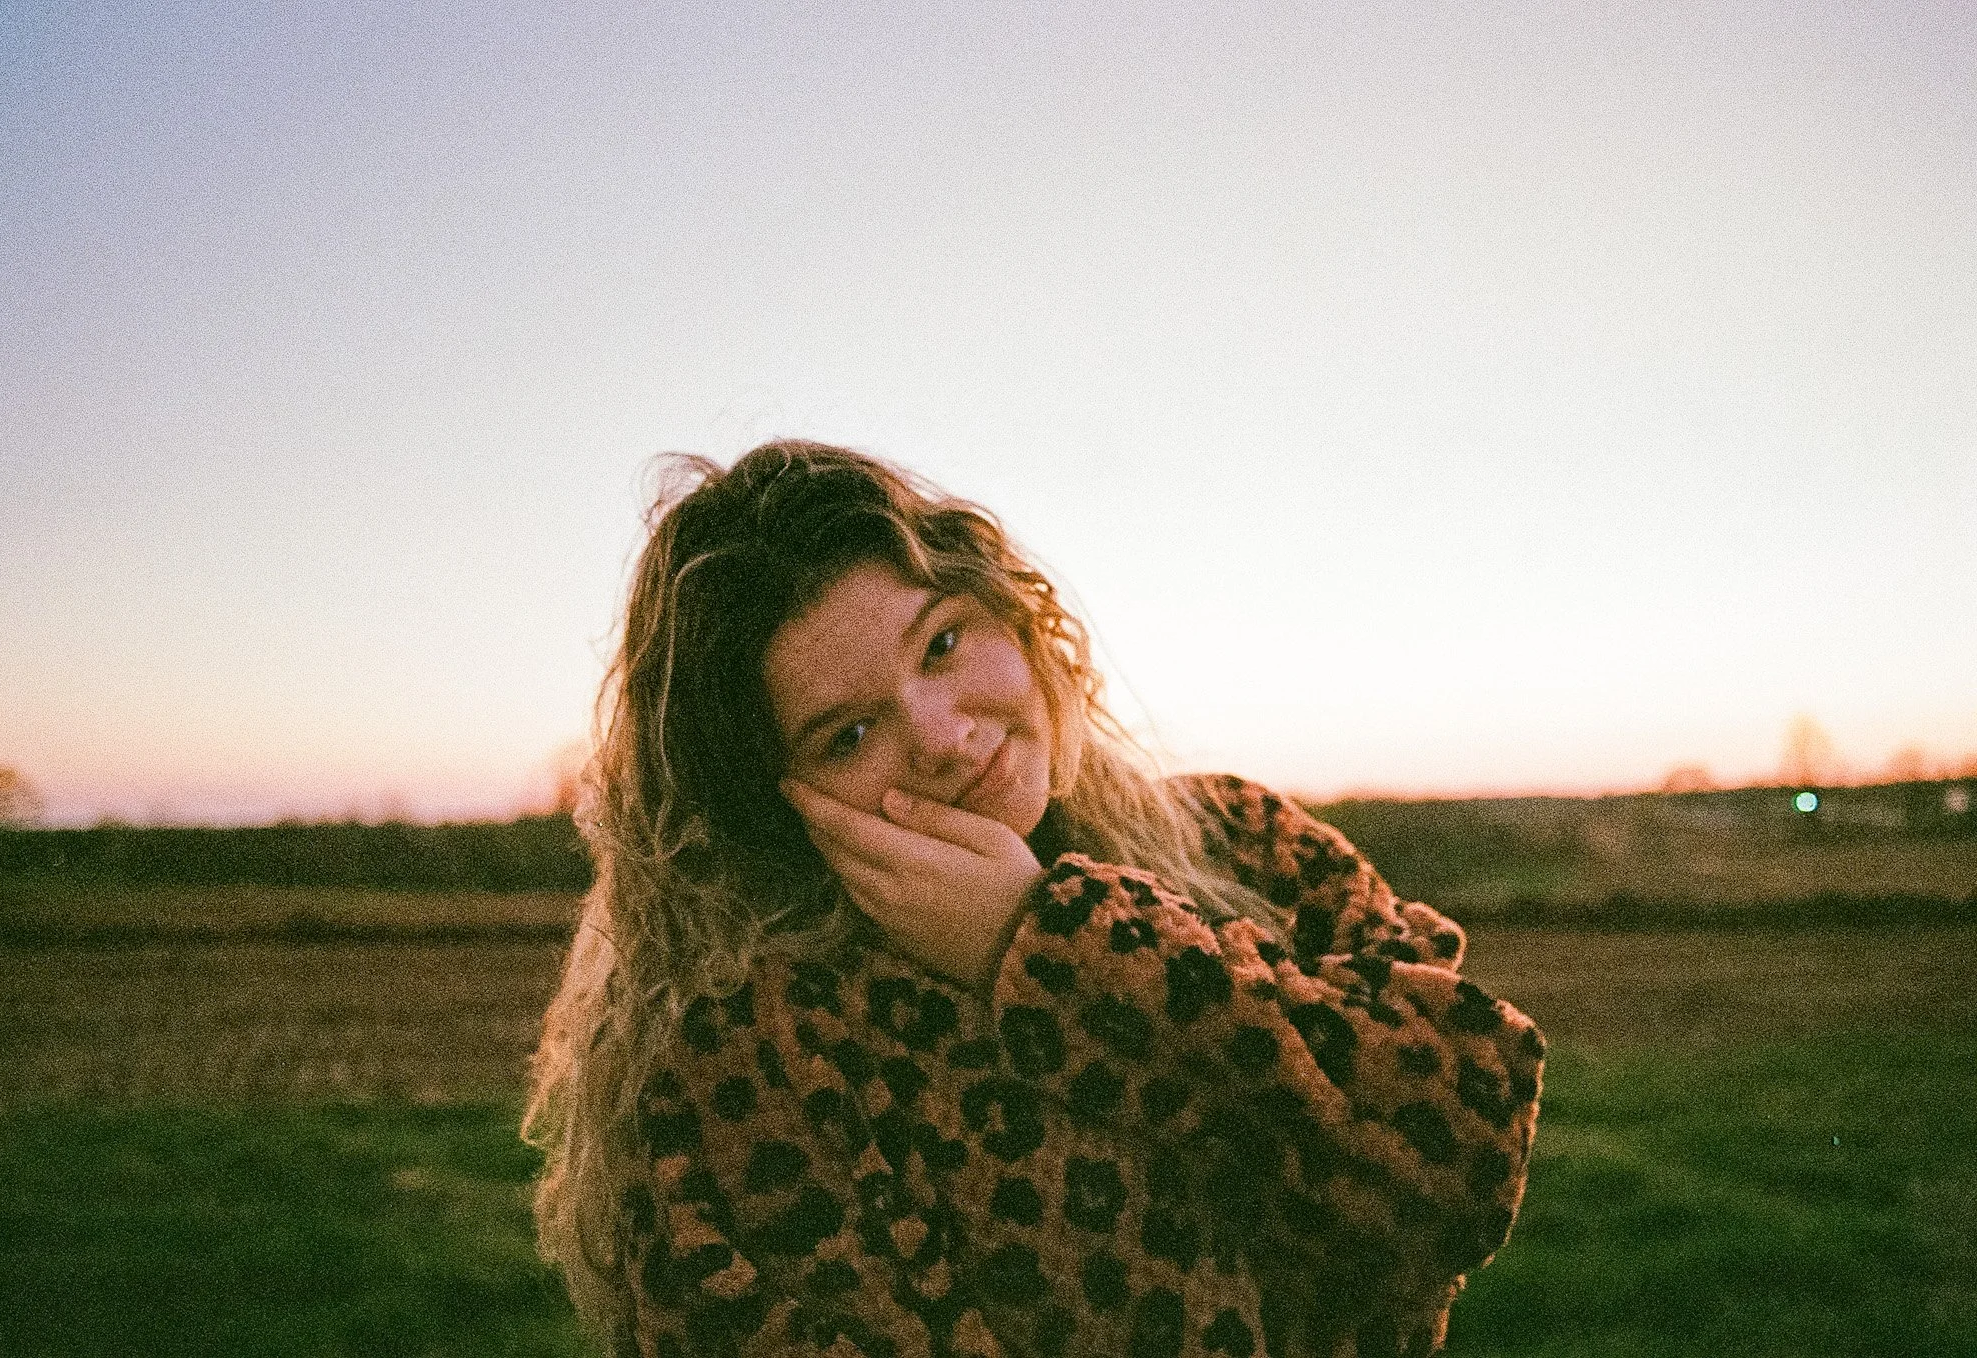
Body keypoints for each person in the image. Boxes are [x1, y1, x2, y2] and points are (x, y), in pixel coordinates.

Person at [525, 440, 1545, 1358]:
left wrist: (1047, 942)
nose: (934, 732)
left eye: (940, 642)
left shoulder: (1235, 838)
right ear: (766, 807)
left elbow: (1462, 1157)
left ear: (1010, 613)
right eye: (846, 733)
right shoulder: (754, 1056)